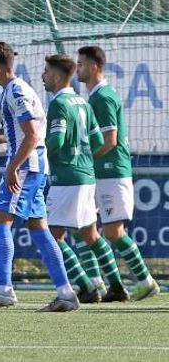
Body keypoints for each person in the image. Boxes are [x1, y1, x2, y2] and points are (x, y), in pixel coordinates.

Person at [0, 41, 79, 312]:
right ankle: (66, 293)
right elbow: (16, 133)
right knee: (39, 229)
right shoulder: (13, 90)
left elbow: (32, 135)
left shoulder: (16, 91)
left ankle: (4, 291)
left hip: (27, 168)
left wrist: (13, 168)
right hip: (33, 167)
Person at [41, 54, 127, 303]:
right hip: (87, 176)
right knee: (90, 235)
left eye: (46, 72)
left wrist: (36, 149)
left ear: (56, 77)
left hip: (66, 178)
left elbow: (56, 141)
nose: (43, 76)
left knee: (52, 236)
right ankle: (117, 285)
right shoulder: (82, 102)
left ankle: (86, 285)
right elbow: (98, 141)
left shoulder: (59, 104)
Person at [77, 46, 159, 300]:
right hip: (99, 173)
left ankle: (146, 281)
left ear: (94, 67)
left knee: (113, 232)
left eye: (81, 64)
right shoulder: (94, 97)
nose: (77, 69)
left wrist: (85, 159)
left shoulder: (103, 97)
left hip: (112, 172)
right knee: (82, 225)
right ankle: (98, 283)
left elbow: (110, 140)